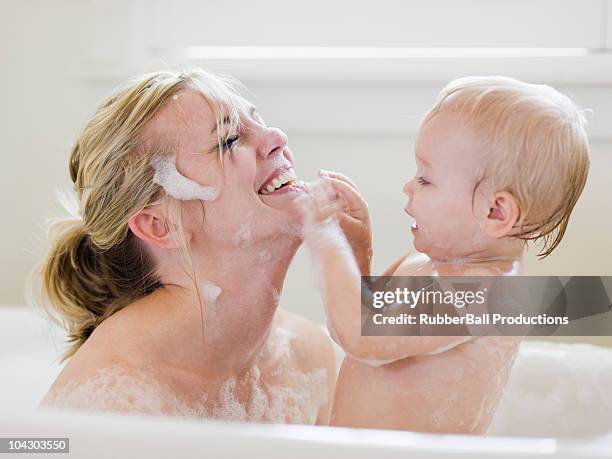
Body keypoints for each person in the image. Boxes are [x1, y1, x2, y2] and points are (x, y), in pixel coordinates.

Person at [32, 69, 371, 424]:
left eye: (259, 120)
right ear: (159, 225)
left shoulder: (305, 354)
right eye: (228, 140)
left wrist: (360, 264)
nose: (277, 136)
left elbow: (421, 336)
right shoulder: (113, 401)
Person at [297, 76, 590, 433]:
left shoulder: (488, 295)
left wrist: (325, 237)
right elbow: (354, 324)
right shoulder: (429, 264)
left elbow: (359, 335)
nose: (408, 186)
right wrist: (357, 245)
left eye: (426, 179)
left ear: (495, 213)